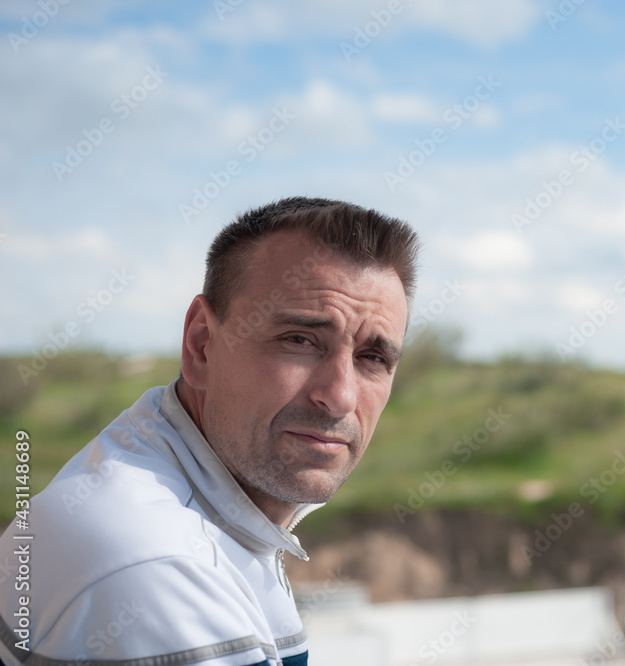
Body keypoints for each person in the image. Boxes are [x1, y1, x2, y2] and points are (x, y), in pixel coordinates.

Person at [0, 197, 420, 666]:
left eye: (373, 358)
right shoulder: (161, 566)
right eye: (299, 340)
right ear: (201, 345)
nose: (340, 397)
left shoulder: (192, 489)